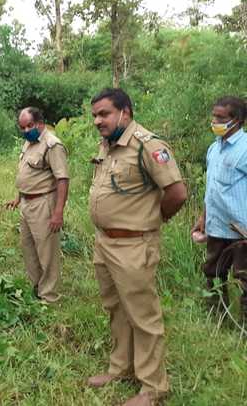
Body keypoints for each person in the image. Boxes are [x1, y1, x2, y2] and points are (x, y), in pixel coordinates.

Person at [86, 88, 187, 406]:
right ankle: (121, 369)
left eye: (104, 113)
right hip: (105, 243)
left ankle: (153, 387)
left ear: (125, 112)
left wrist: (152, 221)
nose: (98, 121)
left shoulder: (147, 144)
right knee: (116, 309)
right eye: (94, 116)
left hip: (134, 246)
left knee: (143, 316)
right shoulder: (108, 145)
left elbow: (177, 192)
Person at [6, 107, 69, 303]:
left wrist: (58, 212)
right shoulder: (28, 143)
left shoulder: (52, 145)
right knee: (28, 248)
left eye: (30, 126)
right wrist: (18, 197)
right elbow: (27, 173)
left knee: (46, 251)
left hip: (43, 204)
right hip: (26, 203)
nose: (26, 130)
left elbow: (63, 179)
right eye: (22, 127)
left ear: (40, 123)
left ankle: (49, 297)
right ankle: (37, 288)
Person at [191, 96, 247, 319]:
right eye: (214, 116)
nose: (215, 121)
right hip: (216, 226)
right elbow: (212, 190)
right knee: (212, 272)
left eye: (221, 117)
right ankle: (217, 317)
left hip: (240, 229)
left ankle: (243, 326)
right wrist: (203, 219)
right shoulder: (214, 149)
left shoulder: (244, 149)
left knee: (242, 277)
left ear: (237, 120)